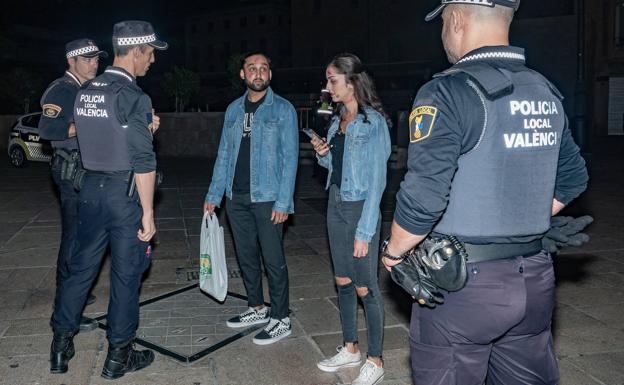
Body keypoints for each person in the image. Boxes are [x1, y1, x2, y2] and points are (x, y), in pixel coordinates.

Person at [380, 1, 589, 384]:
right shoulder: (544, 89)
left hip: (463, 288)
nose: (443, 33)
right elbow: (573, 178)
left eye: (443, 22)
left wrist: (394, 252)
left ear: (456, 19)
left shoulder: (447, 90)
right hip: (535, 280)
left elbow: (423, 197)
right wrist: (525, 222)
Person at [50, 20, 167, 379]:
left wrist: (139, 131)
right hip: (122, 196)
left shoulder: (87, 91)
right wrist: (148, 213)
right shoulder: (134, 96)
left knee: (80, 271)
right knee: (126, 275)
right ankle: (119, 355)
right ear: (135, 51)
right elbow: (144, 162)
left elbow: (97, 137)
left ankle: (59, 346)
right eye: (149, 54)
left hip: (88, 192)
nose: (152, 61)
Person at [204, 52, 299, 345]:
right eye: (252, 69)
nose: (258, 73)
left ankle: (281, 317)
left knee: (273, 260)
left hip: (268, 197)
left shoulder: (282, 109)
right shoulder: (233, 110)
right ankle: (257, 307)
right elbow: (223, 154)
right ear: (243, 75)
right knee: (245, 256)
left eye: (263, 69)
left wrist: (284, 202)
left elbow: (290, 157)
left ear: (270, 75)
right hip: (236, 197)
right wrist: (214, 194)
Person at [311, 53, 391, 385]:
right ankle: (350, 347)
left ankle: (376, 359)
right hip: (336, 204)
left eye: (332, 80)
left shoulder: (373, 123)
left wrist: (366, 229)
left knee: (365, 287)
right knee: (343, 281)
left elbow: (377, 182)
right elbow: (337, 169)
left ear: (351, 81)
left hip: (361, 209)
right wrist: (324, 155)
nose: (328, 88)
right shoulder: (337, 120)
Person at [38, 38, 108, 332]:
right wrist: (90, 123)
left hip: (86, 170)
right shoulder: (62, 89)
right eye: (88, 58)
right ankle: (65, 305)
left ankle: (75, 292)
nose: (95, 63)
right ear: (71, 61)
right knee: (75, 238)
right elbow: (49, 130)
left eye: (97, 59)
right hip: (70, 171)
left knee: (85, 236)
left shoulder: (86, 89)